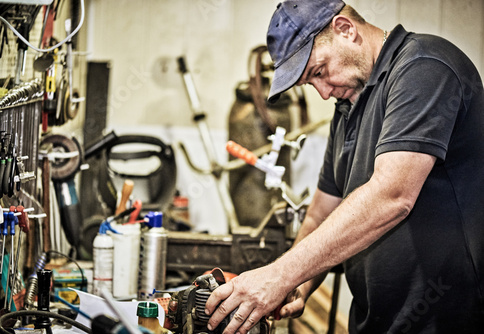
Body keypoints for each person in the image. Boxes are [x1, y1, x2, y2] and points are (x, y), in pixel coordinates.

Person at [205, 0, 484, 333]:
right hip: (375, 320)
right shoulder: (348, 104)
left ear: (345, 29)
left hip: (444, 321)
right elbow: (321, 212)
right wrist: (300, 283)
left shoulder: (424, 67)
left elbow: (392, 196)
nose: (323, 93)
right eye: (312, 82)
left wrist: (278, 277)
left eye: (319, 72)